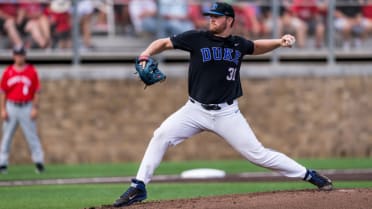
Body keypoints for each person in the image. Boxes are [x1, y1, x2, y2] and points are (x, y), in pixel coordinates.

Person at [112, 2, 333, 207]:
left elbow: (255, 46)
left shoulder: (238, 44)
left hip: (227, 113)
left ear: (229, 20)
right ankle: (138, 186)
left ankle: (309, 175)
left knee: (258, 155)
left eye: (217, 16)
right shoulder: (196, 38)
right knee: (160, 135)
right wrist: (145, 54)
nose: (212, 20)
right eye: (211, 16)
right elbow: (163, 43)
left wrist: (278, 42)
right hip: (194, 109)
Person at [0, 46, 45, 174]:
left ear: (25, 56)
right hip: (12, 106)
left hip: (26, 106)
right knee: (7, 136)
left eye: (21, 54)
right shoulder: (8, 71)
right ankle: (2, 163)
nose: (19, 57)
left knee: (32, 136)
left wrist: (35, 108)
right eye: (17, 54)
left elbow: (36, 91)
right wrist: (3, 109)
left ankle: (39, 162)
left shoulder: (31, 71)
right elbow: (3, 92)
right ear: (13, 56)